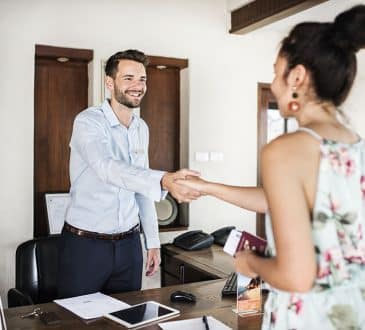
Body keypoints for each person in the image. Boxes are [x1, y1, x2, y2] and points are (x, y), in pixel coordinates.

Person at [179, 5, 365, 329]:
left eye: (276, 72)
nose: (274, 84)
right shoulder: (354, 144)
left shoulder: (285, 149)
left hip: (309, 317)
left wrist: (249, 263)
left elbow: (296, 276)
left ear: (297, 77)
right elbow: (276, 199)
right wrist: (207, 187)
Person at [58, 49, 200, 299]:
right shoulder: (88, 122)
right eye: (129, 78)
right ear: (110, 83)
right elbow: (107, 167)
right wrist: (162, 179)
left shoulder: (140, 128)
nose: (138, 86)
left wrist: (153, 242)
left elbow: (141, 189)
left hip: (129, 247)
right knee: (78, 323)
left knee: (127, 318)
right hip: (85, 246)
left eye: (142, 79)